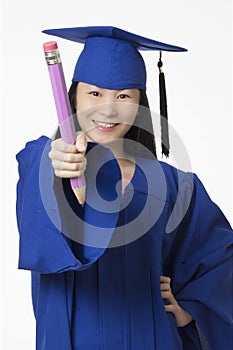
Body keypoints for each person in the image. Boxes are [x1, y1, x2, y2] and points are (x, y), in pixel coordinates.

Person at [16, 26, 232, 350]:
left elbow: (219, 261)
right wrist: (56, 167)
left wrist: (191, 311)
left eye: (123, 96)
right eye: (94, 93)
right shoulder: (45, 162)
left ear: (140, 103)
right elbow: (38, 225)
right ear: (74, 95)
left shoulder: (176, 186)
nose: (107, 109)